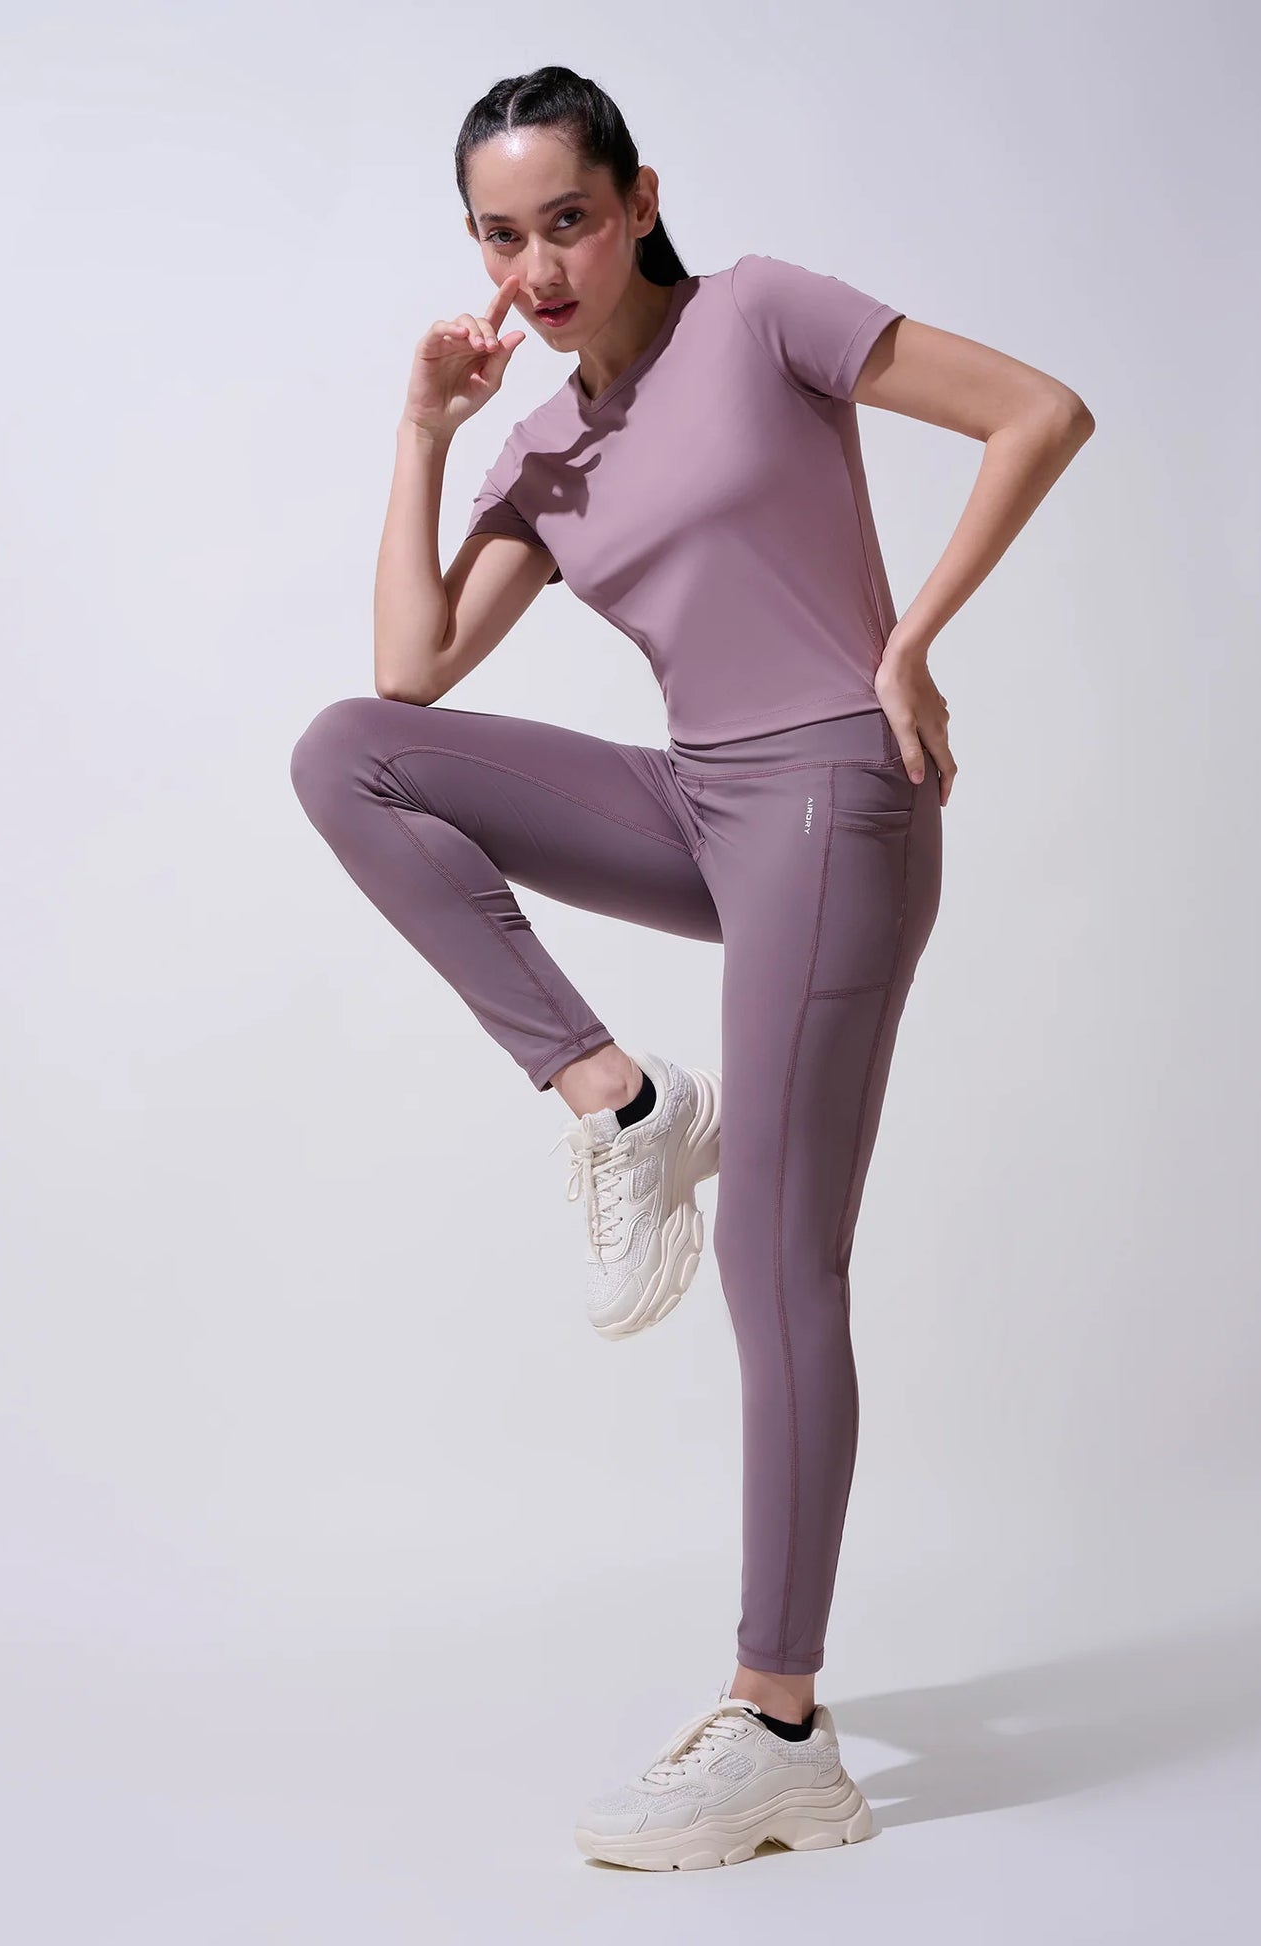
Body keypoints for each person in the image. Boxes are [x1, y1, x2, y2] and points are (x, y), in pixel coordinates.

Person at [289, 64, 1093, 1872]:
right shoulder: (542, 444)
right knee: (348, 751)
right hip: (703, 797)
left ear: (639, 198)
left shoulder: (762, 315)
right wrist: (425, 433)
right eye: (499, 239)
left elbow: (1037, 413)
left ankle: (779, 1725)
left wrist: (906, 643)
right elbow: (411, 670)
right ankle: (624, 1100)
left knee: (776, 1255)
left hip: (833, 799)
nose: (537, 270)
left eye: (567, 221)